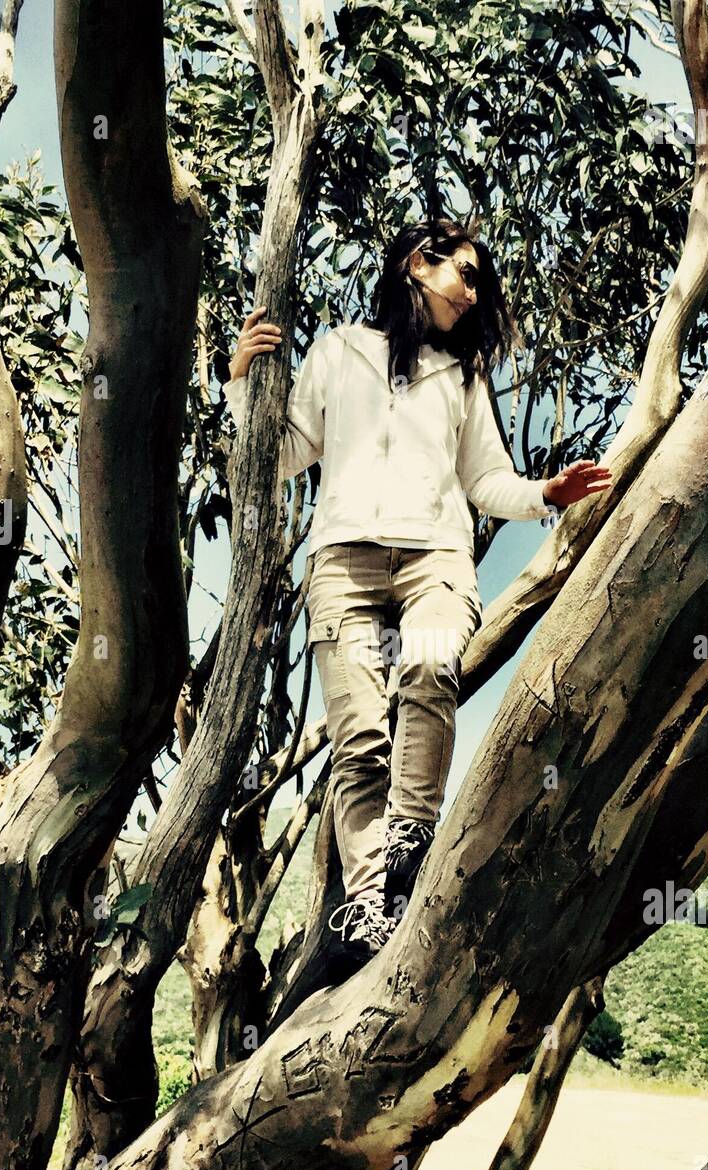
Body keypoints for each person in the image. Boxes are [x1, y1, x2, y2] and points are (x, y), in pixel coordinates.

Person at [223, 218, 610, 975]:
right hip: (343, 564)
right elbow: (278, 459)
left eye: (478, 281)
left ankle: (410, 834)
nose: (471, 291)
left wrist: (543, 493)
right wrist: (241, 386)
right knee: (360, 742)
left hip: (435, 559)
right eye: (461, 272)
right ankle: (370, 904)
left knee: (431, 670)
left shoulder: (462, 380)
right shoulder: (339, 352)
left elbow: (485, 482)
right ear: (414, 265)